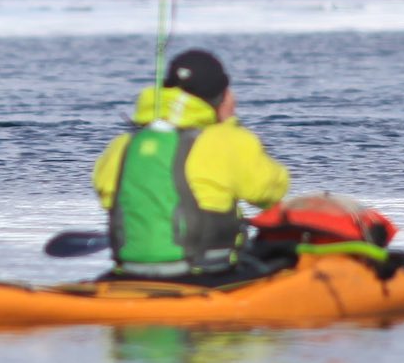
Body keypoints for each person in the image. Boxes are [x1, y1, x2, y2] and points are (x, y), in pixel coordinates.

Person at [91, 48, 289, 281]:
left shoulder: (122, 144)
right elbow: (270, 192)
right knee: (284, 256)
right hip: (206, 274)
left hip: (130, 270)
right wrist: (229, 125)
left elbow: (106, 196)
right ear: (222, 96)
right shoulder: (227, 140)